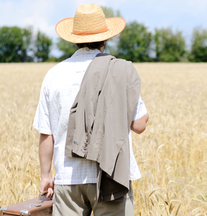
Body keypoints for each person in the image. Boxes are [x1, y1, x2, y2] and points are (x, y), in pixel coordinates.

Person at [33, 3, 148, 215]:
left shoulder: (54, 75)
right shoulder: (119, 71)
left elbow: (46, 133)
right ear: (105, 38)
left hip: (68, 179)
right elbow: (139, 125)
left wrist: (46, 176)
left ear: (74, 39)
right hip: (111, 177)